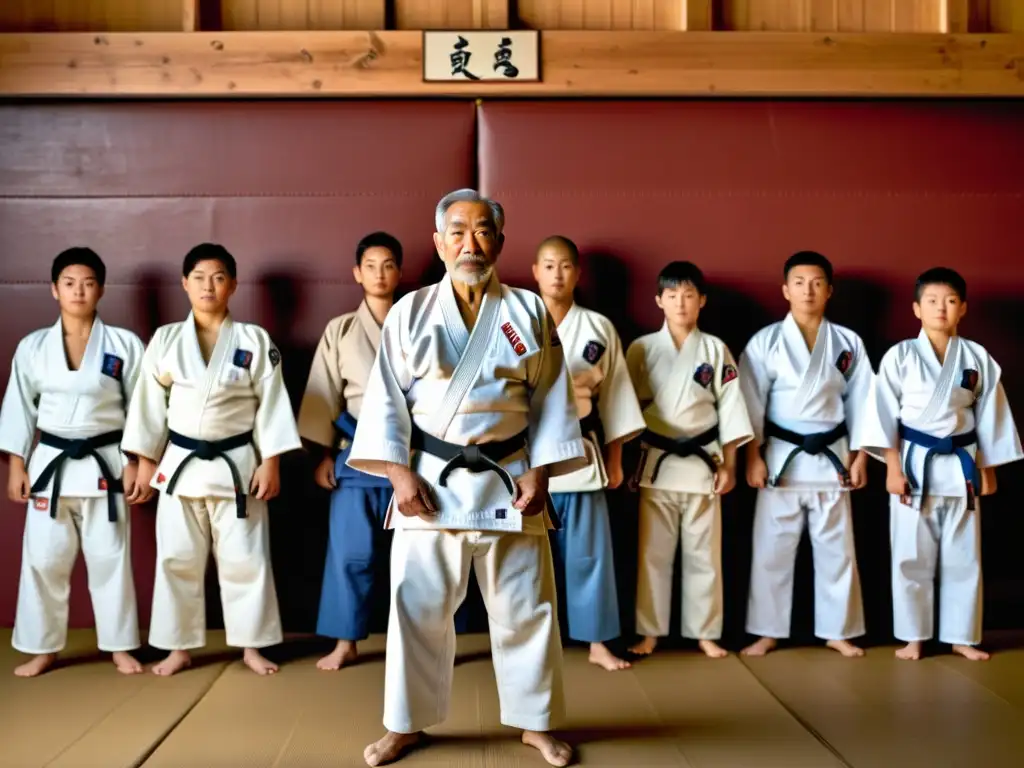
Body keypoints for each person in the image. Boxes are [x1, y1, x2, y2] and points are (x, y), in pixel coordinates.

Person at [347, 189, 586, 768]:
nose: (469, 243)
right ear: (438, 242)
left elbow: (553, 396)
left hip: (510, 480)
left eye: (482, 231)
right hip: (431, 483)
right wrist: (399, 475)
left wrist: (543, 473)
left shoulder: (527, 311)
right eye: (457, 231)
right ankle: (404, 725)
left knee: (528, 608)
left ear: (500, 242)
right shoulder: (410, 312)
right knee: (415, 609)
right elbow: (384, 402)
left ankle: (536, 723)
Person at [121, 243, 302, 677]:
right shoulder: (165, 340)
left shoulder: (254, 340)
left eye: (219, 277)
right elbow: (148, 404)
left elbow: (272, 405)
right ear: (185, 283)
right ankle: (178, 647)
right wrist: (145, 460)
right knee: (177, 560)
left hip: (238, 467)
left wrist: (271, 461)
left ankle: (252, 646)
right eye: (199, 277)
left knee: (247, 559)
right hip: (180, 466)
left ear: (233, 285)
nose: (209, 285)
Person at [862, 267, 1022, 661]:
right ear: (917, 309)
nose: (941, 308)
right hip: (915, 467)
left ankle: (961, 637)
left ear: (962, 308)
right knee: (910, 556)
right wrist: (892, 470)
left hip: (963, 467)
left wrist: (989, 470)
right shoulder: (900, 356)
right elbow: (884, 416)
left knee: (964, 557)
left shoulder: (976, 358)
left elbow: (991, 417)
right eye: (932, 301)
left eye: (950, 301)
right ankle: (913, 637)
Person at [0, 247, 146, 677]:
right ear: (54, 289)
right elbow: (18, 409)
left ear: (100, 288)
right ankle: (42, 648)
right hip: (51, 464)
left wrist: (137, 461)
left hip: (107, 462)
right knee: (43, 561)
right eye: (69, 282)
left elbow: (142, 407)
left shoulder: (124, 344)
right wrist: (16, 464)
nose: (78, 290)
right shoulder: (33, 348)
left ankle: (120, 646)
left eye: (87, 282)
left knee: (110, 560)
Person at [738, 251, 872, 658]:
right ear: (785, 289)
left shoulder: (848, 343)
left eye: (816, 282)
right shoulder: (766, 342)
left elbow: (865, 402)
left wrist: (862, 455)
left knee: (837, 551)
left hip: (833, 457)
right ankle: (767, 629)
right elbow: (748, 401)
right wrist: (752, 457)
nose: (808, 290)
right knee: (771, 550)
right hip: (781, 458)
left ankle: (838, 630)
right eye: (799, 282)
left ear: (829, 290)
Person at [625, 262, 753, 659]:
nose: (681, 303)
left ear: (702, 301)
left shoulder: (715, 349)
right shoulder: (642, 349)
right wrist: (629, 462)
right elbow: (624, 409)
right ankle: (650, 631)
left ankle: (705, 632)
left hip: (703, 464)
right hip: (657, 461)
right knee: (652, 555)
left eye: (689, 295)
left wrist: (730, 464)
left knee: (705, 555)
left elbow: (732, 408)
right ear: (659, 301)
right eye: (673, 295)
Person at [531, 235, 645, 672]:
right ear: (536, 270)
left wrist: (616, 458)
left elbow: (615, 397)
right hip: (525, 455)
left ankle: (598, 641)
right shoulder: (514, 318)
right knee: (524, 556)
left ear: (577, 274)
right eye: (549, 265)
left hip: (580, 451)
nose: (557, 274)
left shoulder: (598, 327)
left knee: (590, 553)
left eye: (565, 266)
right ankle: (531, 640)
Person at [297, 232, 403, 671]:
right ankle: (346, 641)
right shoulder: (339, 329)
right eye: (371, 265)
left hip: (410, 455)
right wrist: (322, 454)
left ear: (399, 271)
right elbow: (324, 392)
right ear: (357, 273)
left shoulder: (418, 322)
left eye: (388, 264)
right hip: (354, 453)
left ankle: (418, 644)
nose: (380, 273)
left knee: (416, 563)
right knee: (351, 552)